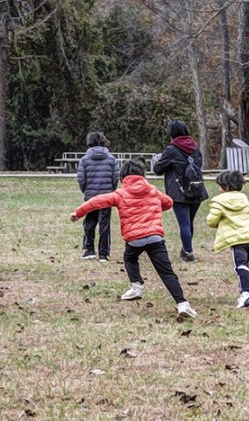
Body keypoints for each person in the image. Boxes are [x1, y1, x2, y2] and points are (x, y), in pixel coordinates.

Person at [70, 159, 198, 318]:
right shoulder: (152, 190)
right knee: (167, 273)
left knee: (129, 258)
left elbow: (96, 202)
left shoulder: (120, 193)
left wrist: (78, 213)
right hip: (155, 238)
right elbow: (169, 202)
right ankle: (182, 304)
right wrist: (155, 209)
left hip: (134, 239)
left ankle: (137, 286)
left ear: (122, 178)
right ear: (142, 175)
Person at [153, 120, 209, 262]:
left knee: (184, 223)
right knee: (189, 222)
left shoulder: (171, 150)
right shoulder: (196, 148)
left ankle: (188, 252)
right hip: (196, 189)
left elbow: (157, 170)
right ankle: (186, 249)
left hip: (180, 192)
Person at [206, 170, 249, 308]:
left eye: (220, 186)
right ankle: (245, 292)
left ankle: (246, 293)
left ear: (226, 187)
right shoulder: (243, 198)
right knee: (244, 266)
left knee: (240, 267)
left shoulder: (218, 201)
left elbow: (211, 221)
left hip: (237, 241)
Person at [76, 132, 119, 262]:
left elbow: (81, 179)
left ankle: (89, 250)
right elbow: (115, 178)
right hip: (106, 196)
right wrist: (111, 191)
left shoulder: (84, 160)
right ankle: (104, 254)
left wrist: (86, 191)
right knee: (104, 225)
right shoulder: (112, 159)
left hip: (90, 196)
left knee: (89, 223)